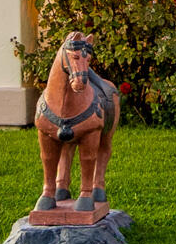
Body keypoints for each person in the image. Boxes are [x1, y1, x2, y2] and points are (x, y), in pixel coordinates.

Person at [34, 31, 121, 212]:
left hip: (88, 121)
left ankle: (91, 188)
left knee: (96, 149)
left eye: (87, 61)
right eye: (75, 57)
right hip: (53, 117)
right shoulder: (46, 105)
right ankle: (52, 188)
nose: (82, 65)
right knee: (50, 153)